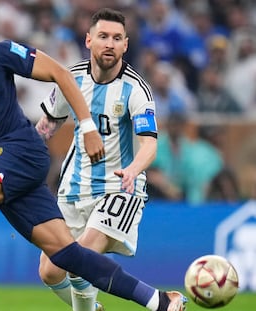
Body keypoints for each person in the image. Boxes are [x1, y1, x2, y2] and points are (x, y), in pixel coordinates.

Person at [0, 2, 185, 311]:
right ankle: (158, 300)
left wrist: (87, 127)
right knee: (67, 257)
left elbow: (58, 72)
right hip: (3, 161)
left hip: (22, 150)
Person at [36, 8, 186, 311]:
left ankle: (156, 302)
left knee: (81, 261)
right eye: (103, 36)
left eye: (117, 38)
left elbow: (149, 146)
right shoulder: (71, 79)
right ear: (89, 40)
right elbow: (46, 128)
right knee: (50, 271)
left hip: (119, 188)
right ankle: (123, 304)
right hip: (73, 188)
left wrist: (132, 170)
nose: (110, 43)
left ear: (126, 45)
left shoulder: (136, 90)